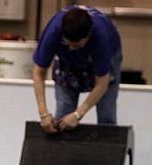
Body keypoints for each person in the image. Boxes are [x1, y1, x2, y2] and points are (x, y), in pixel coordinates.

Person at [32, 5, 122, 134]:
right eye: (67, 43)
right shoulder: (53, 32)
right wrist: (43, 113)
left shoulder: (101, 37)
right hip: (66, 61)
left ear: (88, 35)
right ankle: (61, 153)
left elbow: (102, 82)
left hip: (104, 56)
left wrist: (78, 114)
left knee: (106, 117)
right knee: (63, 117)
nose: (72, 49)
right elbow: (38, 73)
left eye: (77, 45)